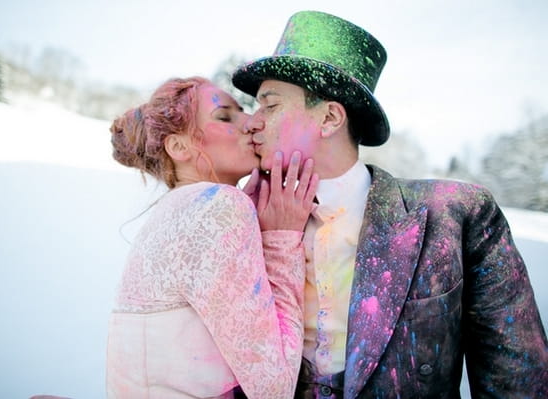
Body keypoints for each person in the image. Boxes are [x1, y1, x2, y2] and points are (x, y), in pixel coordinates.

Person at [232, 11, 548, 398]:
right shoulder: (239, 216)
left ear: (329, 118)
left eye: (269, 104)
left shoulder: (457, 214)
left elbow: (518, 383)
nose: (251, 121)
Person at [106, 76, 318, 399]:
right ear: (179, 147)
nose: (250, 122)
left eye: (243, 110)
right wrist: (280, 239)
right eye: (224, 117)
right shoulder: (217, 207)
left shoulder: (174, 212)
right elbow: (274, 388)